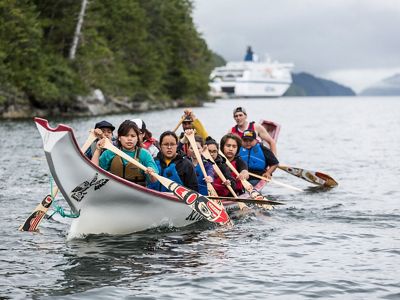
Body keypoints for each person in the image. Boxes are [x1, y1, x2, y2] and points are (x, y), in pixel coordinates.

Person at [91, 120, 158, 186]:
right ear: (119, 137)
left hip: (137, 193)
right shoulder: (110, 153)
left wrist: (151, 173)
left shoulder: (145, 154)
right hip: (114, 191)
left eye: (133, 136)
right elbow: (93, 172)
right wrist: (98, 150)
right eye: (126, 135)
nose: (129, 139)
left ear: (137, 138)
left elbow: (154, 180)